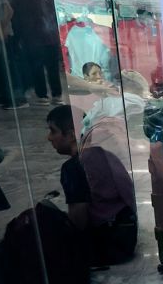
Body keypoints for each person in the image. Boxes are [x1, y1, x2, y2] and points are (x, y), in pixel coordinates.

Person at [47, 105, 138, 266]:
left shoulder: (73, 167)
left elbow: (79, 221)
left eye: (53, 131)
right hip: (126, 237)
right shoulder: (105, 154)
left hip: (104, 246)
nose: (49, 137)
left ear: (69, 135)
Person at [10, 0, 61, 106]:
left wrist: (17, 39)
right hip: (50, 36)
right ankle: (57, 94)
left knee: (37, 67)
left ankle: (42, 95)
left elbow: (18, 21)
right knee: (52, 68)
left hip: (33, 39)